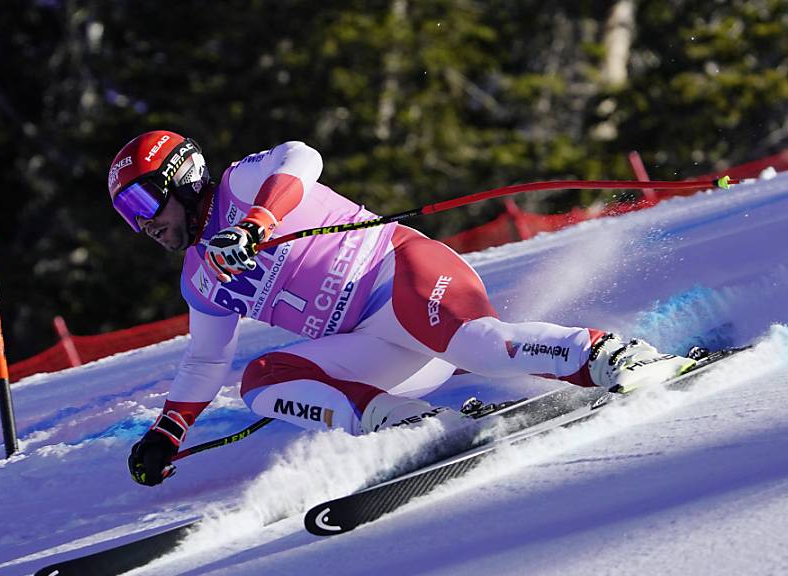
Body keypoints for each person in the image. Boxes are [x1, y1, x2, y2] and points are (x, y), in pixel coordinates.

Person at [108, 130, 695, 486]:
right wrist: (168, 431)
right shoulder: (200, 276)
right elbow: (207, 361)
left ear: (181, 176)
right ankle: (414, 429)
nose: (143, 226)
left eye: (142, 201)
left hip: (402, 273)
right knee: (263, 380)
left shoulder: (243, 183)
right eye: (127, 217)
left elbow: (302, 157)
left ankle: (611, 354)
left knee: (483, 350)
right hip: (378, 345)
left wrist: (258, 224)